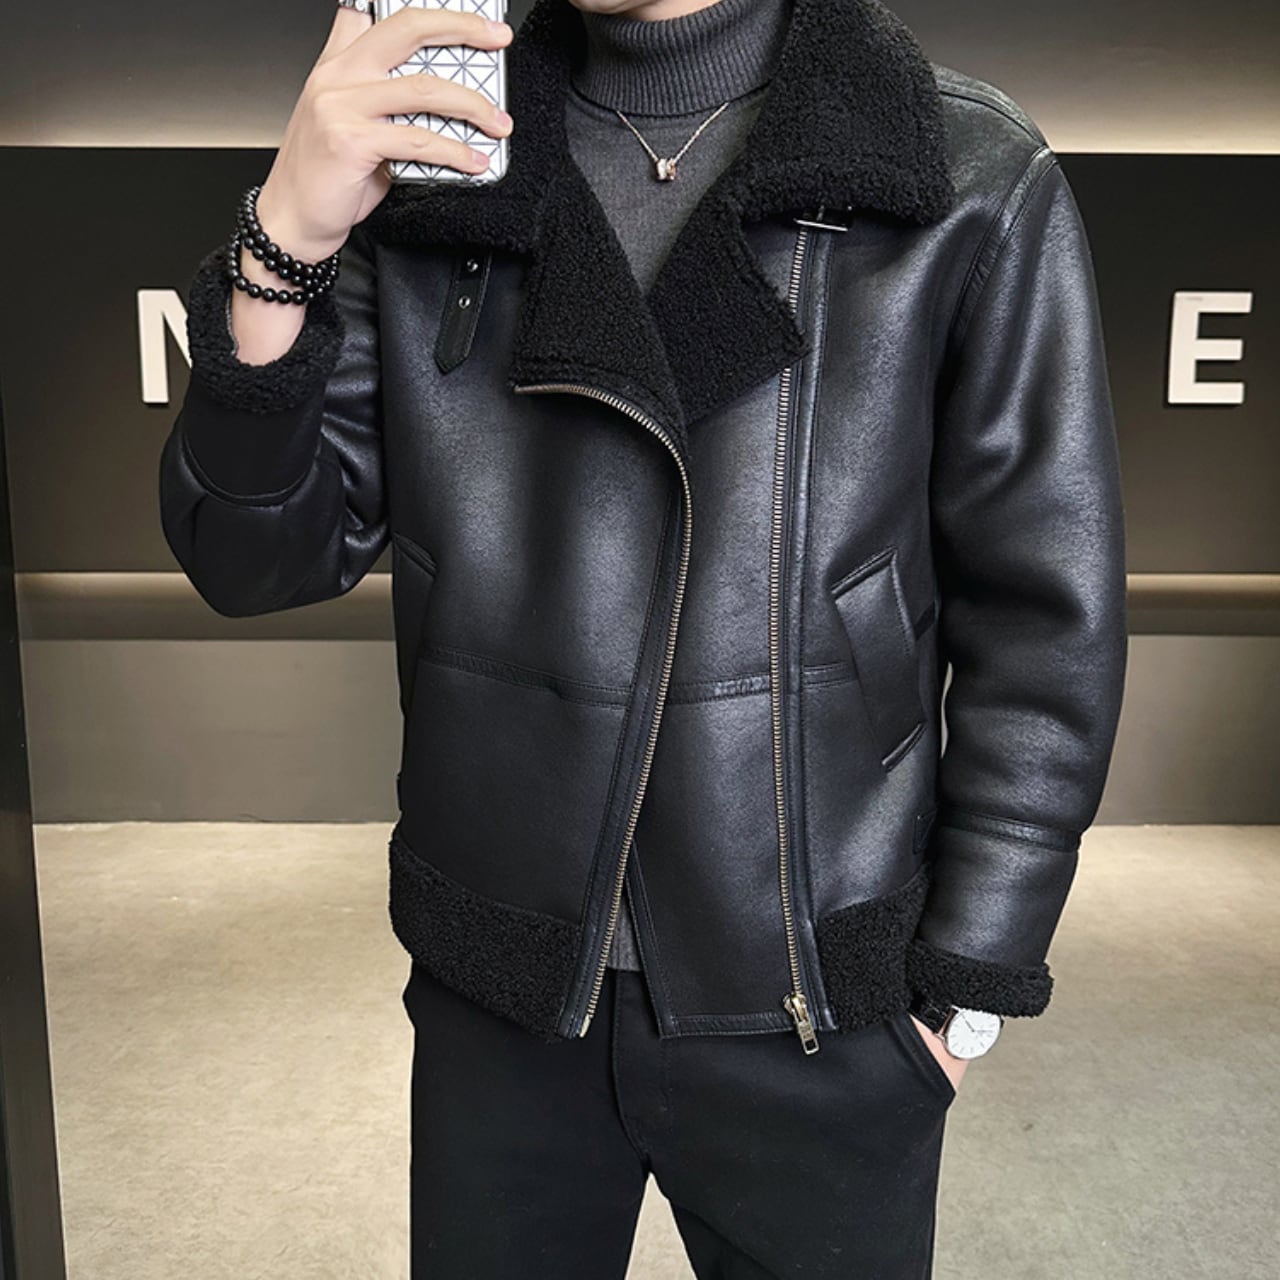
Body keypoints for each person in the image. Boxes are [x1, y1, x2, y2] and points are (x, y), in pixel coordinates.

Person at [157, 0, 1129, 1274]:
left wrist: (964, 990)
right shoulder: (437, 156)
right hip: (502, 980)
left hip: (820, 989)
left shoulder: (961, 174)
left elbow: (1044, 615)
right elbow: (254, 558)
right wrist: (285, 234)